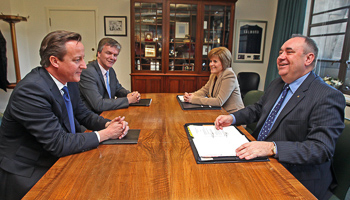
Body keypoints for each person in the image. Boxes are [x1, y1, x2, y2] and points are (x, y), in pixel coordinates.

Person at [0, 30, 130, 200]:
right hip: (29, 171)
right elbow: (58, 142)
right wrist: (106, 134)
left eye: (83, 58)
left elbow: (83, 114)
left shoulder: (69, 80)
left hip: (57, 158)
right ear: (54, 61)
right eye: (77, 60)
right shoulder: (31, 90)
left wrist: (109, 124)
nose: (84, 65)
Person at [214, 35, 345, 200]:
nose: (281, 57)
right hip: (261, 161)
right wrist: (232, 118)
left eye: (289, 52)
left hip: (295, 177)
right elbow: (258, 109)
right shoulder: (277, 84)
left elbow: (320, 149)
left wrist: (271, 148)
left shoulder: (327, 96)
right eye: (280, 52)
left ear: (309, 58)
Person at [79, 38, 140, 114]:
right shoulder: (88, 72)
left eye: (115, 55)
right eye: (108, 53)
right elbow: (98, 104)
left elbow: (118, 89)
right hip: (93, 119)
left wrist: (130, 94)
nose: (112, 58)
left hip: (109, 113)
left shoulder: (110, 70)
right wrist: (128, 100)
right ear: (99, 53)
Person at [183, 47, 244, 113]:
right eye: (211, 61)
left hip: (233, 116)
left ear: (224, 62)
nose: (211, 64)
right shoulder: (214, 74)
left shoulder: (229, 75)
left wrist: (193, 100)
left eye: (215, 61)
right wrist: (192, 95)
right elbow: (205, 90)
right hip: (219, 112)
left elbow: (219, 102)